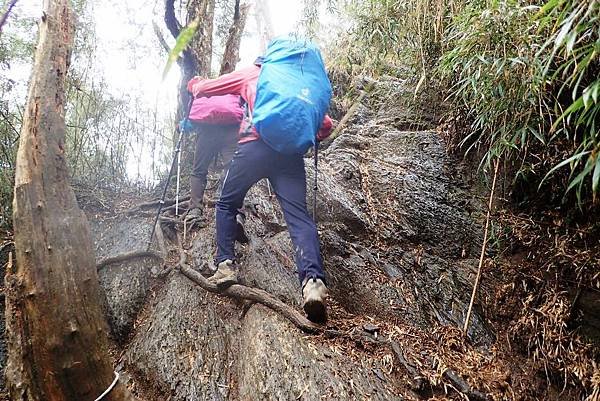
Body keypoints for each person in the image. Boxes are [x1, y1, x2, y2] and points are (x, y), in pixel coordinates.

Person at [187, 57, 333, 323]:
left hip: (254, 148)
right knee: (299, 219)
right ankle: (312, 283)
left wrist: (195, 85)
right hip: (289, 156)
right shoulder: (296, 83)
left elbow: (209, 88)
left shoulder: (253, 73)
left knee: (227, 203)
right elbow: (325, 125)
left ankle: (225, 266)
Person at [181, 94, 242, 226]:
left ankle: (195, 210)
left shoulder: (202, 97)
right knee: (233, 170)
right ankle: (234, 211)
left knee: (199, 171)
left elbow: (192, 119)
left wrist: (180, 126)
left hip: (206, 131)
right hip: (232, 129)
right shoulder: (233, 95)